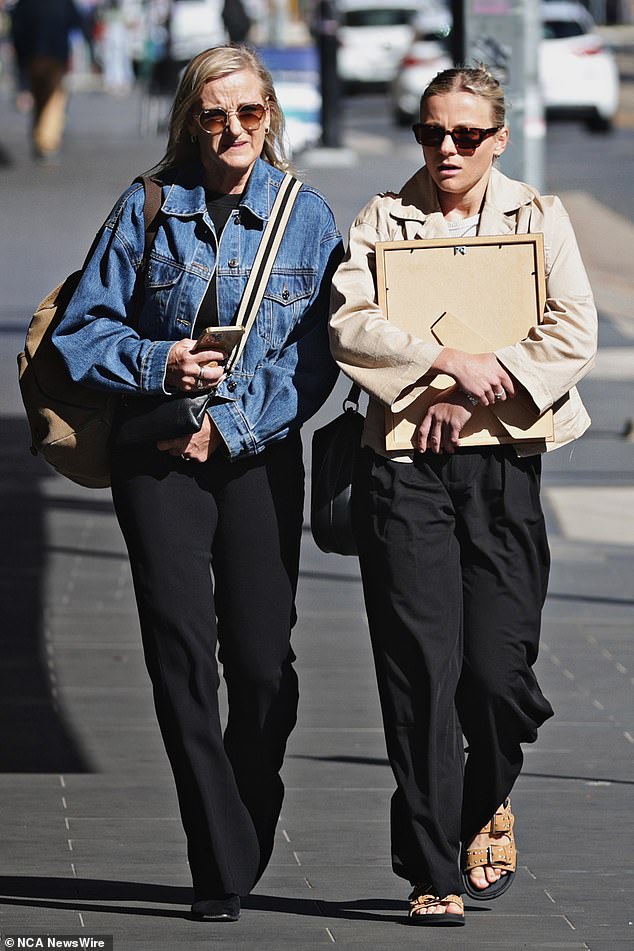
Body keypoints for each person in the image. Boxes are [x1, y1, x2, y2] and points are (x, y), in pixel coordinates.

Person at [52, 44, 342, 922]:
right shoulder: (147, 207)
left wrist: (237, 422)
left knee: (261, 668)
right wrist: (157, 360)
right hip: (159, 457)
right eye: (214, 116)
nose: (233, 133)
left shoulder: (308, 217)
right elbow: (78, 333)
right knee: (182, 661)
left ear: (271, 116)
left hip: (255, 456)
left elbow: (317, 361)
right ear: (191, 121)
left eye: (249, 114)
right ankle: (218, 857)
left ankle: (247, 806)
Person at [329, 65, 597, 926]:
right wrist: (444, 361)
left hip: (505, 463)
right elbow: (349, 322)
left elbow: (572, 329)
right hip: (403, 470)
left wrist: (485, 382)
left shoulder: (538, 217)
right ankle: (430, 862)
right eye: (431, 132)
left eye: (466, 135)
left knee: (497, 671)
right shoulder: (383, 217)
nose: (447, 148)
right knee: (418, 670)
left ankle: (488, 794)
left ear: (499, 138)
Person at [9, 0, 89, 162]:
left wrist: (20, 57)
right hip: (56, 53)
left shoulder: (25, 3)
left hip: (32, 55)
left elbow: (16, 27)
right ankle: (46, 140)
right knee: (54, 97)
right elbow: (77, 21)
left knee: (39, 95)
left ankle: (39, 132)